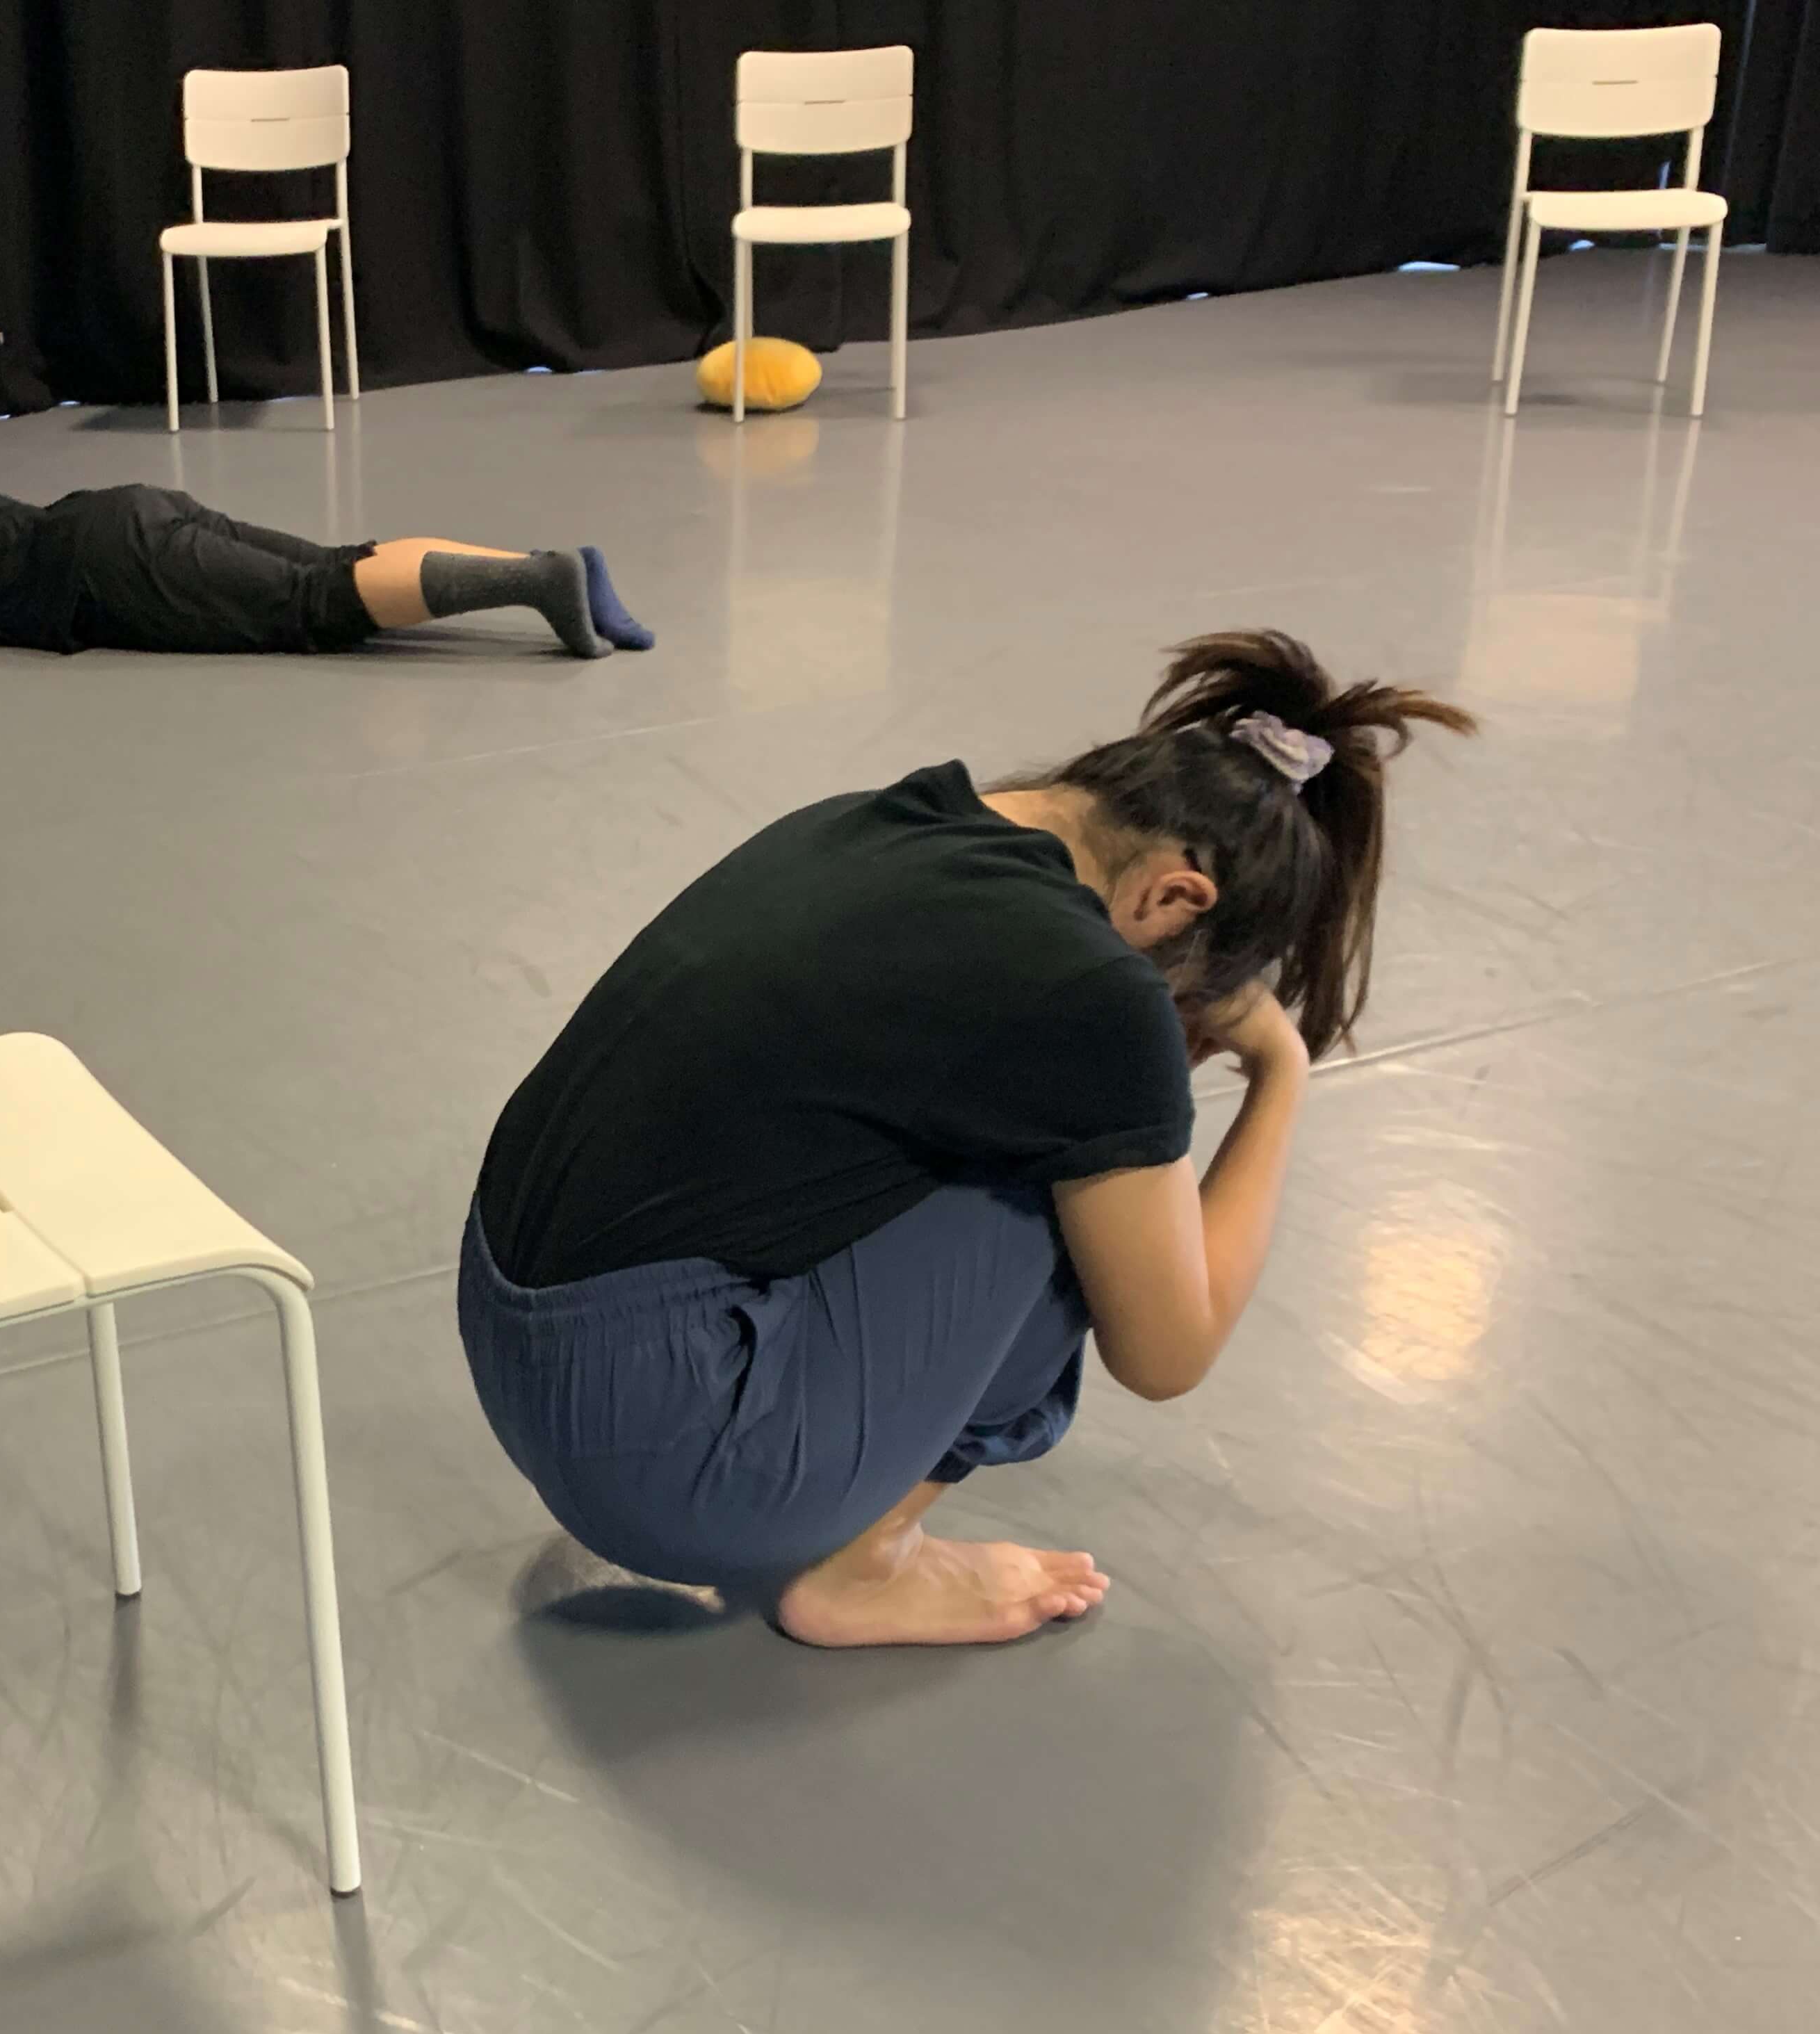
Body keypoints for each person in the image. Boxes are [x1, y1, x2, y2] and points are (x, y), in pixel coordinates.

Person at [459, 631, 1474, 1648]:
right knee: (1091, 1191)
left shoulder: (879, 821)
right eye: (1188, 992)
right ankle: (868, 1564)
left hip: (517, 1343)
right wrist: (1281, 1075)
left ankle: (808, 1485)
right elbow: (1172, 1351)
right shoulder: (1087, 992)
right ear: (1175, 898)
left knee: (1054, 1135)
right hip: (665, 1470)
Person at [0, 471, 656, 658]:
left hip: (97, 566)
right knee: (334, 562)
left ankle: (542, 584)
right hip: (119, 521)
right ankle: (549, 568)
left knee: (313, 602)